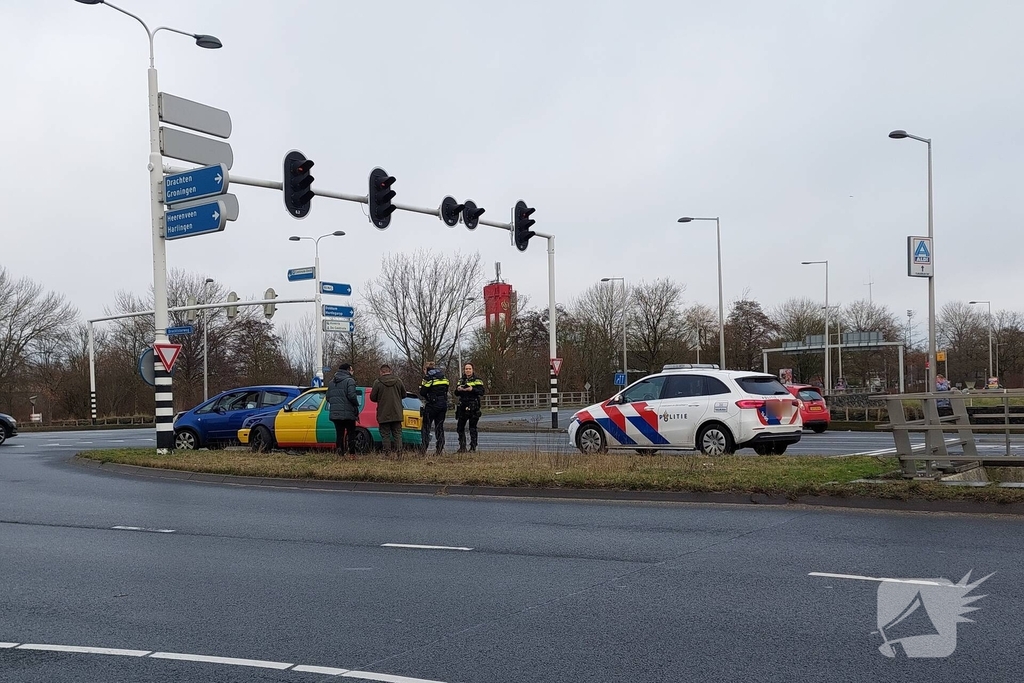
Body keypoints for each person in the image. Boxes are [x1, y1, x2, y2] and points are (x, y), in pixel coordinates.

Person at [370, 364, 406, 456]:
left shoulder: (377, 382)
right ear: (390, 371)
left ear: (381, 372)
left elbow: (372, 398)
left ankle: (387, 454)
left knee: (385, 434)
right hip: (397, 412)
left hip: (383, 412)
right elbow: (404, 394)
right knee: (397, 434)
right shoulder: (398, 381)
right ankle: (399, 453)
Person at [326, 362, 359, 456]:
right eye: (352, 369)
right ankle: (352, 454)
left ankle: (340, 453)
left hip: (335, 413)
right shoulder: (350, 381)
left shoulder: (331, 382)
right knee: (351, 433)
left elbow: (328, 397)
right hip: (348, 413)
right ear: (348, 370)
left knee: (339, 434)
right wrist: (356, 404)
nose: (353, 371)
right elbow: (352, 396)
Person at [419, 361, 449, 455]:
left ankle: (423, 449)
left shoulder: (428, 377)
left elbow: (423, 392)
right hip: (443, 404)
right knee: (439, 427)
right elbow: (446, 388)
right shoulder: (443, 376)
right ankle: (439, 449)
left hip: (432, 405)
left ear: (425, 369)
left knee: (426, 427)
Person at [454, 362, 486, 452]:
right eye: (466, 369)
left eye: (469, 369)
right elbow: (456, 393)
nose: (467, 370)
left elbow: (481, 392)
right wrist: (458, 389)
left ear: (472, 370)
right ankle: (462, 447)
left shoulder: (477, 380)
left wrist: (472, 389)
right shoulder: (461, 380)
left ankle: (473, 447)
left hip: (473, 405)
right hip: (462, 405)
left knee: (472, 427)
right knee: (460, 427)